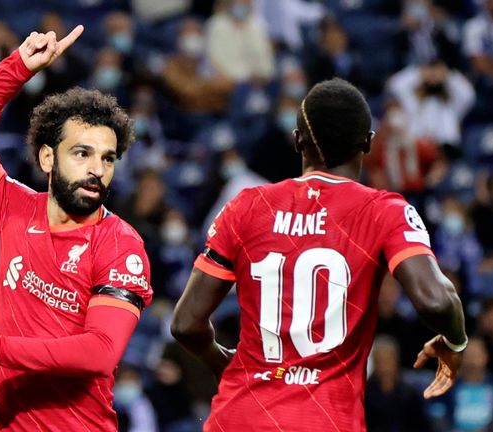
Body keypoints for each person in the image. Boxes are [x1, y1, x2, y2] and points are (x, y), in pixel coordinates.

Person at [170, 78, 467, 431]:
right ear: (368, 143)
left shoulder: (248, 206)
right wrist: (455, 340)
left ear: (297, 141)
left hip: (239, 416)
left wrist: (224, 363)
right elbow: (436, 301)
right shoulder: (383, 211)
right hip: (324, 419)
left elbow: (186, 323)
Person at [0, 26, 154, 431]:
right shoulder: (13, 208)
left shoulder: (122, 247)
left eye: (108, 158)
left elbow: (100, 352)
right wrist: (17, 68)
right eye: (81, 153)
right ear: (47, 158)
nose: (96, 170)